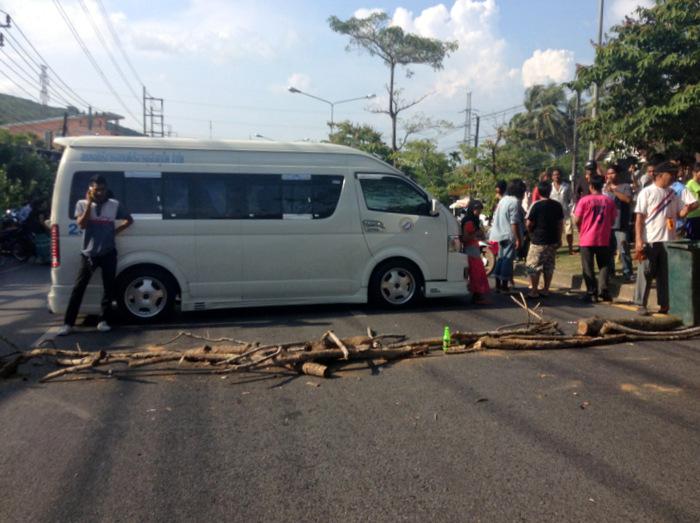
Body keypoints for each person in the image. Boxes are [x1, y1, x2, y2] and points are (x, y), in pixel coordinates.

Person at [58, 175, 133, 335]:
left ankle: (104, 320)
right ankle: (68, 324)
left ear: (106, 189)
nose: (100, 192)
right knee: (78, 288)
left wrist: (115, 231)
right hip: (88, 254)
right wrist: (89, 205)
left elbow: (129, 220)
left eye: (102, 189)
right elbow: (82, 224)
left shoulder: (114, 204)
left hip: (108, 252)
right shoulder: (82, 204)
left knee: (108, 288)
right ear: (90, 190)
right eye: (96, 189)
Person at [633, 162, 698, 315]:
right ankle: (640, 303)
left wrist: (687, 209)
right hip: (650, 240)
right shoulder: (647, 192)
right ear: (660, 175)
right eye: (671, 174)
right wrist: (638, 240)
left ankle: (664, 304)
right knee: (646, 272)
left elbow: (679, 214)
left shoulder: (673, 194)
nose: (674, 177)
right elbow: (639, 219)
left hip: (668, 240)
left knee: (664, 274)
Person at [574, 175, 617, 303]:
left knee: (588, 266)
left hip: (587, 238)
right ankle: (603, 290)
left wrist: (580, 228)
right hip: (603, 237)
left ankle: (591, 292)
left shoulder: (584, 200)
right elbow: (613, 220)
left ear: (591, 186)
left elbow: (576, 219)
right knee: (604, 265)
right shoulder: (609, 201)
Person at [525, 181, 563, 299]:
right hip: (552, 240)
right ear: (550, 191)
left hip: (538, 240)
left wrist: (530, 232)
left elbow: (529, 223)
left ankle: (534, 291)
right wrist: (559, 238)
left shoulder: (536, 205)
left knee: (533, 266)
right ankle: (546, 289)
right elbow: (560, 224)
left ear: (539, 191)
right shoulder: (557, 205)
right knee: (549, 265)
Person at [489, 179, 525, 293]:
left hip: (498, 234)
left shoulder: (503, 200)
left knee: (500, 259)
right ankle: (504, 286)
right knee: (507, 260)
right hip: (508, 235)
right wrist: (518, 239)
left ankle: (498, 285)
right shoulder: (514, 202)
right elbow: (514, 222)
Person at [604, 165, 634, 282]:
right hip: (608, 224)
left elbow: (627, 200)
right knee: (609, 251)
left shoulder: (625, 186)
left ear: (617, 174)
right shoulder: (605, 188)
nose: (610, 176)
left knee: (623, 249)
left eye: (612, 173)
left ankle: (627, 272)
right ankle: (611, 273)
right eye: (608, 174)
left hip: (621, 223)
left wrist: (614, 190)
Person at [460, 200, 490, 305]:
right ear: (472, 209)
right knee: (476, 273)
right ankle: (477, 297)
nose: (478, 212)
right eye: (477, 209)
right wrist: (477, 234)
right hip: (471, 249)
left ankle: (477, 296)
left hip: (474, 248)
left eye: (480, 210)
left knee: (478, 273)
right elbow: (465, 237)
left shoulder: (474, 220)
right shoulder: (469, 221)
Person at [550, 167, 574, 255]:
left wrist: (570, 209)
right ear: (552, 177)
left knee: (569, 232)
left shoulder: (566, 186)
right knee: (555, 232)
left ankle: (570, 249)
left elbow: (571, 199)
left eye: (558, 174)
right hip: (553, 214)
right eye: (554, 175)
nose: (556, 176)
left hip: (565, 212)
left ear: (561, 176)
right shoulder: (550, 187)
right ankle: (554, 249)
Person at [685, 162, 700, 240]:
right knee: (694, 239)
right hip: (693, 216)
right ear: (694, 172)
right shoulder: (692, 183)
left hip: (697, 215)